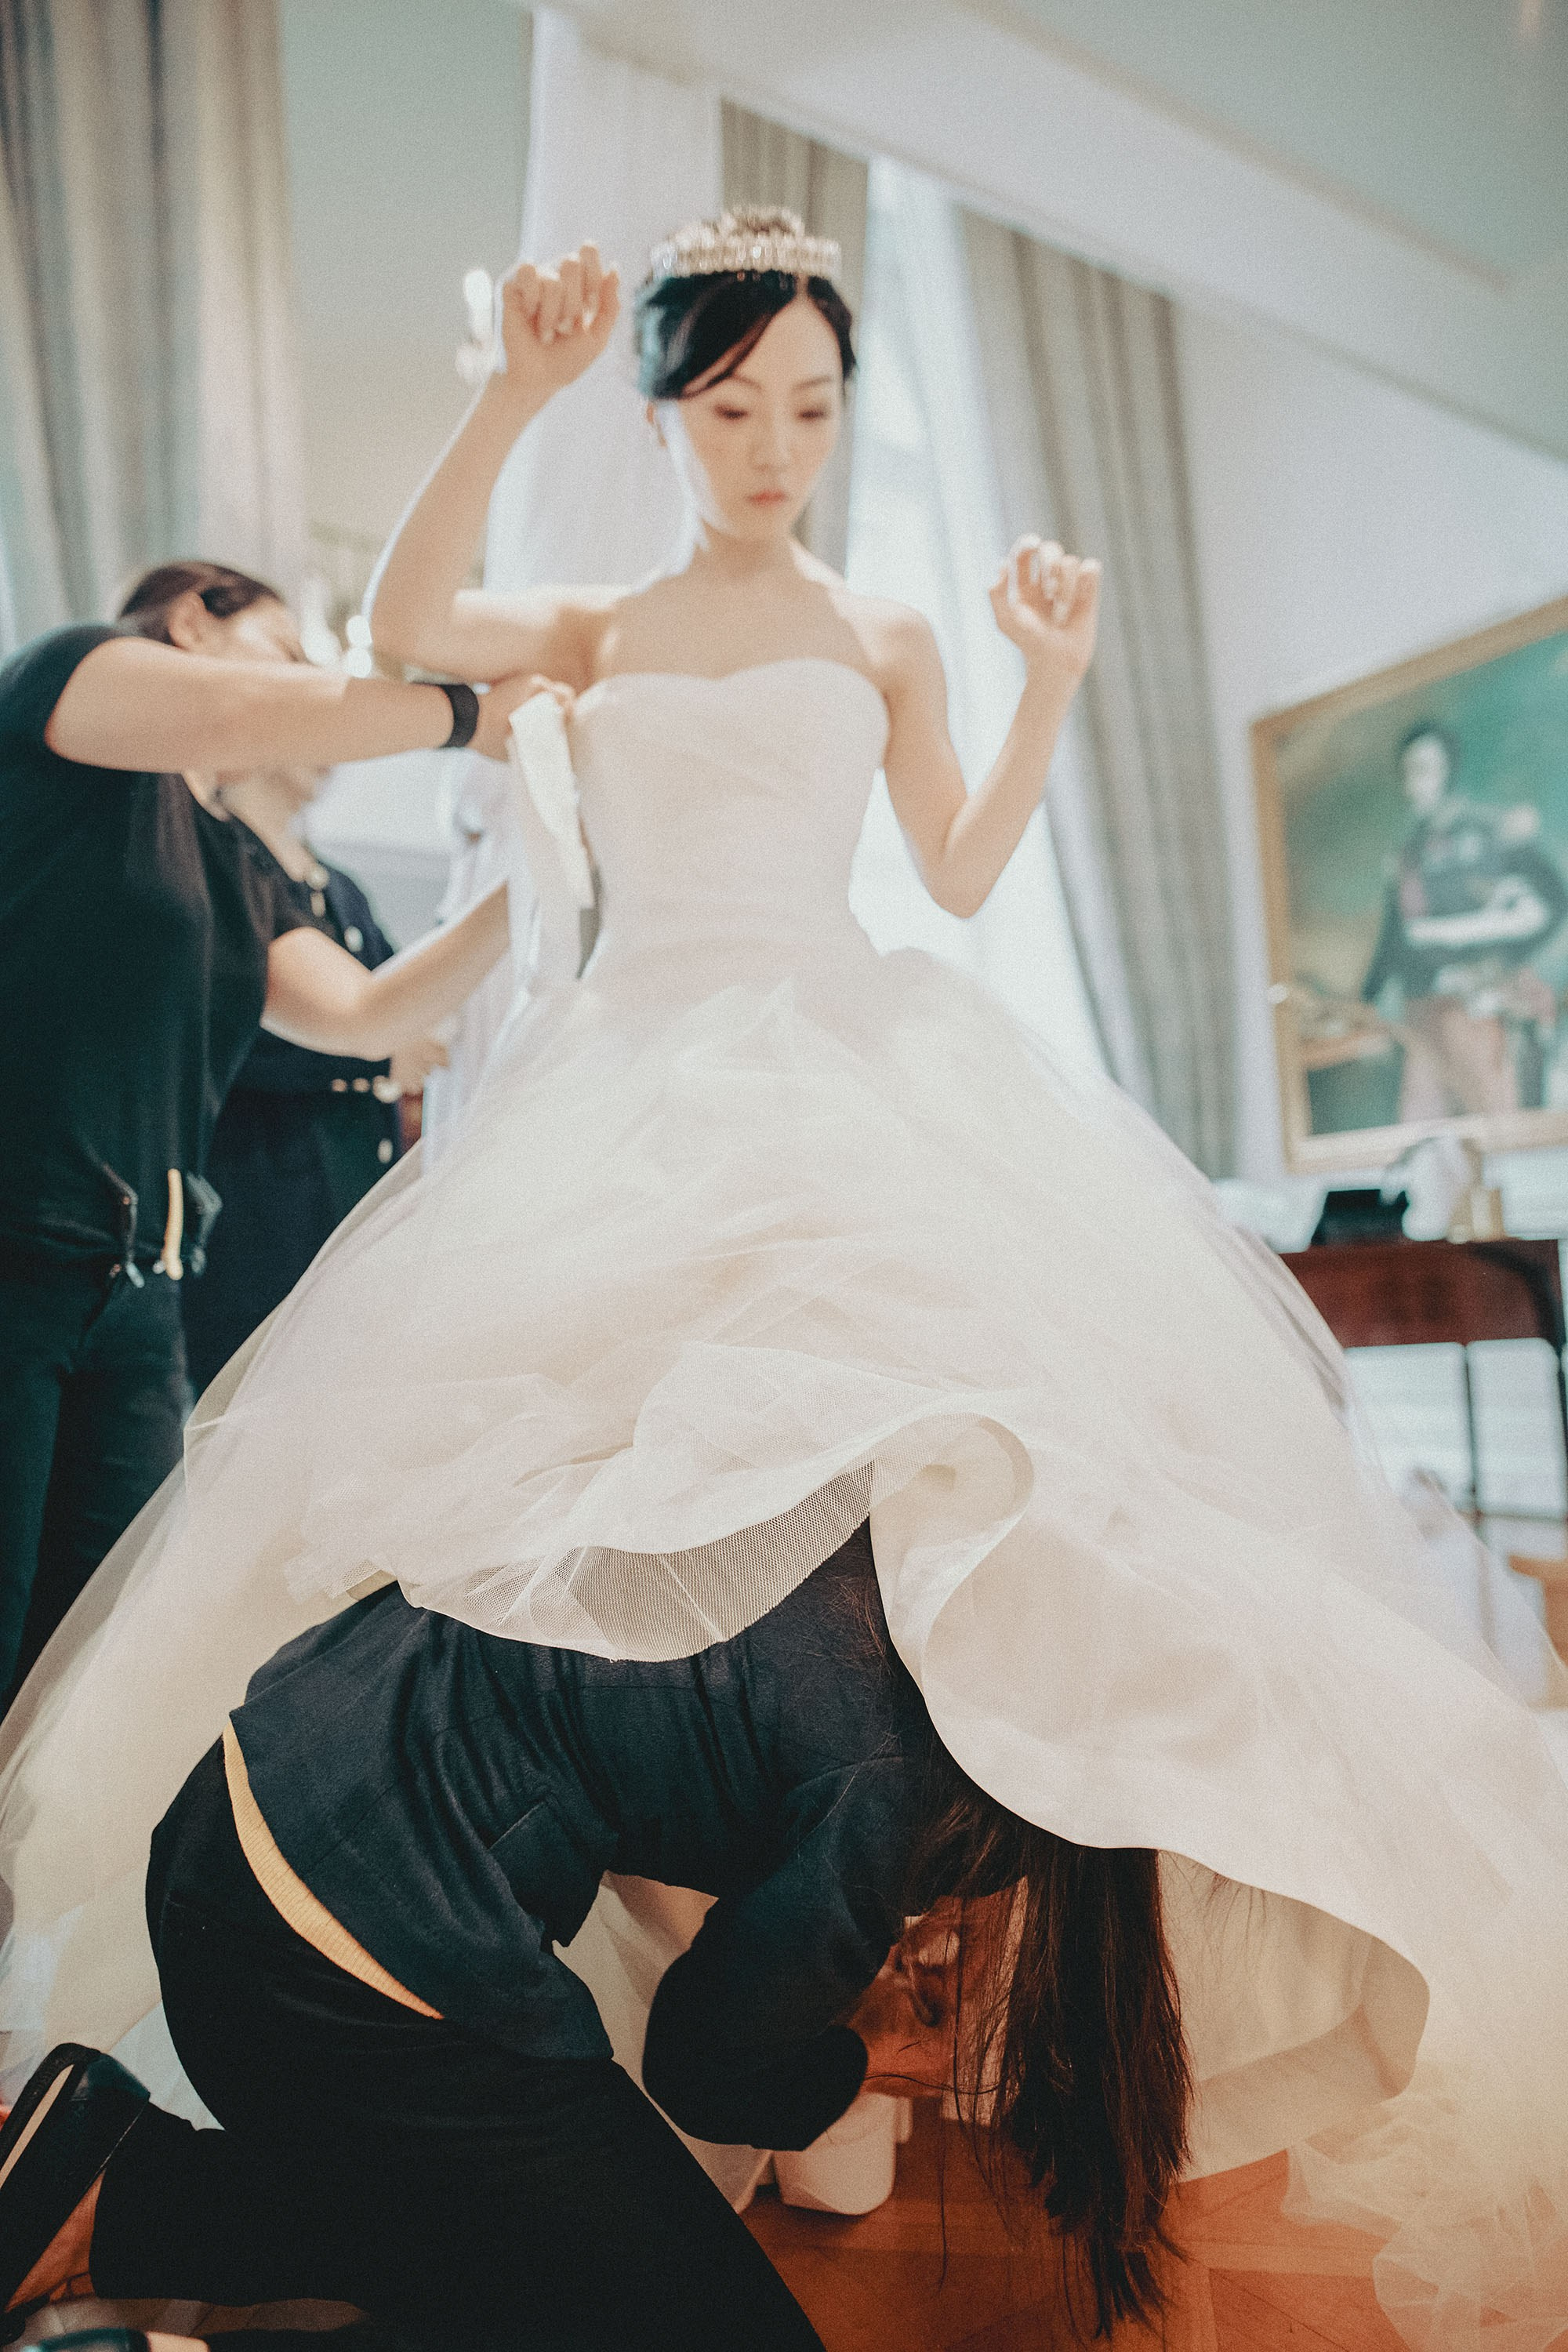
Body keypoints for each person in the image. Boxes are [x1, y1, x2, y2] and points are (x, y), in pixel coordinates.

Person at [3, 213, 1568, 2352]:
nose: (776, 445)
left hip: (841, 1057)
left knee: (883, 1534)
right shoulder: (601, 620)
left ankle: (786, 2056)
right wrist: (506, 392)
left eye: (814, 406)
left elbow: (953, 867)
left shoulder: (891, 621)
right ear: (670, 411)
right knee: (610, 1536)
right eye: (733, 405)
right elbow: (411, 619)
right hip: (636, 1081)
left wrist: (1050, 688)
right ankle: (647, 2051)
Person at [0, 1524, 1186, 2349]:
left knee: (523, 2237)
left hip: (241, 1820)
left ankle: (110, 2189)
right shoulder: (915, 1777)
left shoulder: (870, 1533)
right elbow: (704, 2068)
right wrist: (871, 2052)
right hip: (347, 1957)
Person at [0, 560, 539, 1699]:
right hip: (19, 1251)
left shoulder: (234, 862)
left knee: (87, 1683)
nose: (305, 693)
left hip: (141, 1304)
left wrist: (534, 875)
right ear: (192, 619)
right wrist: (472, 716)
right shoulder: (74, 680)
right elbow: (247, 709)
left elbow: (367, 1013)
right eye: (288, 652)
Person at [179, 760, 439, 1399]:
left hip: (350, 1184)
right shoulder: (218, 867)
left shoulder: (339, 887)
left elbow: (393, 1001)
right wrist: (372, 1059)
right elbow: (225, 1030)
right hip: (257, 1191)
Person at [1362, 720, 1568, 1116]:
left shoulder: (1489, 833)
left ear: (1448, 772)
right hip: (1424, 1016)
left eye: (1423, 770)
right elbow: (1393, 938)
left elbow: (1552, 901)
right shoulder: (1408, 855)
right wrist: (1365, 1003)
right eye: (1408, 772)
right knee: (1425, 1137)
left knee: (1495, 1127)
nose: (1414, 784)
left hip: (1479, 1010)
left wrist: (1503, 959)